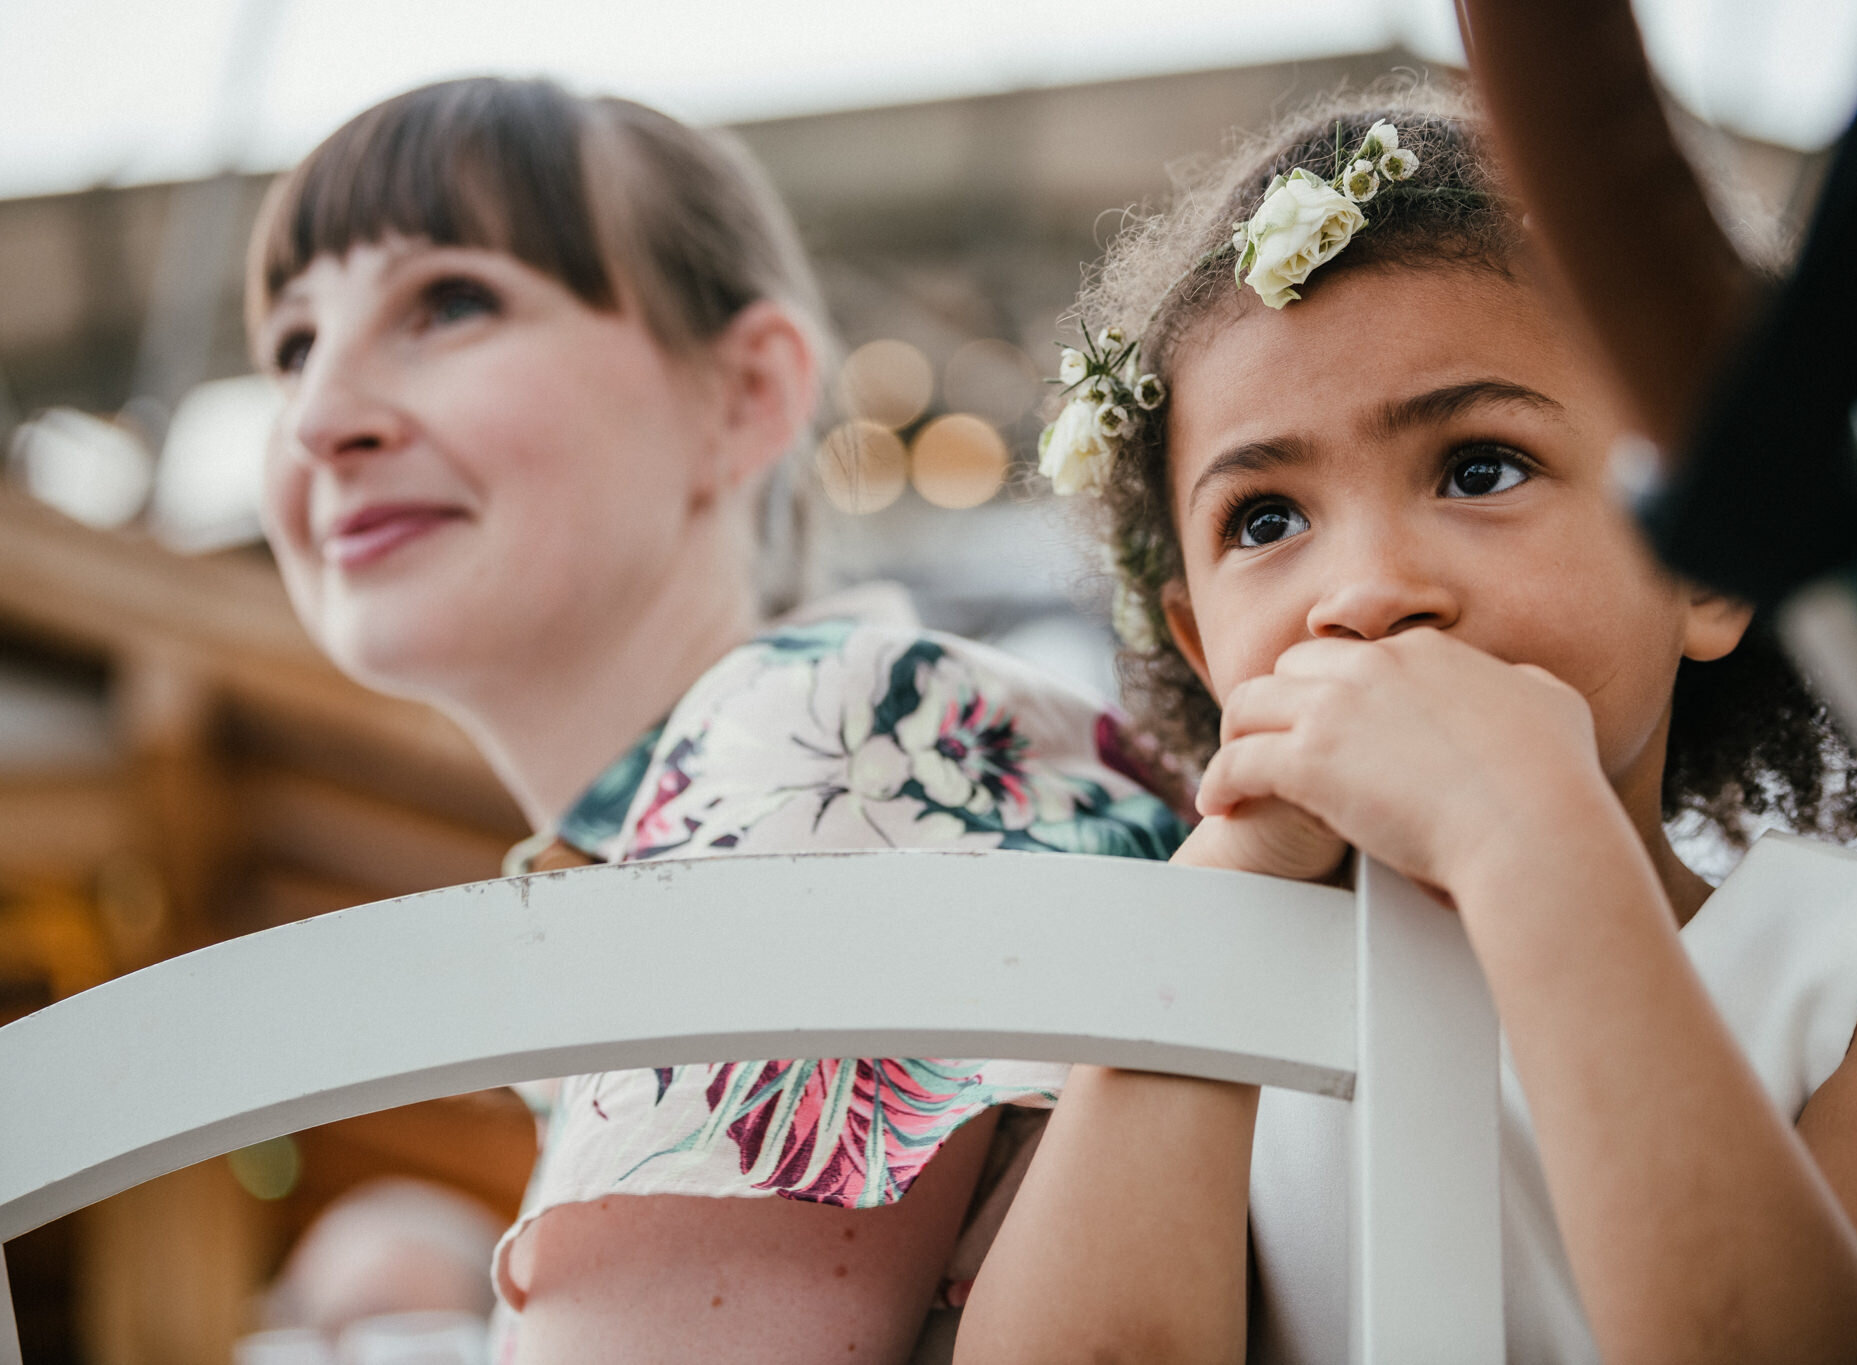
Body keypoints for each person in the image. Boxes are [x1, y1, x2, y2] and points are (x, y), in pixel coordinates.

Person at [955, 85, 1857, 1364]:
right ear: (1199, 646)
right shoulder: (1188, 997)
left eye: (1478, 468)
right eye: (1264, 519)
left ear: (1704, 568)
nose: (1361, 591)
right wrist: (1222, 909)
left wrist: (1524, 837)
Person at [247, 76, 1186, 1362]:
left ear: (745, 394)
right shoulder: (753, 791)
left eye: (450, 302)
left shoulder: (839, 737)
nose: (317, 419)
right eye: (291, 345)